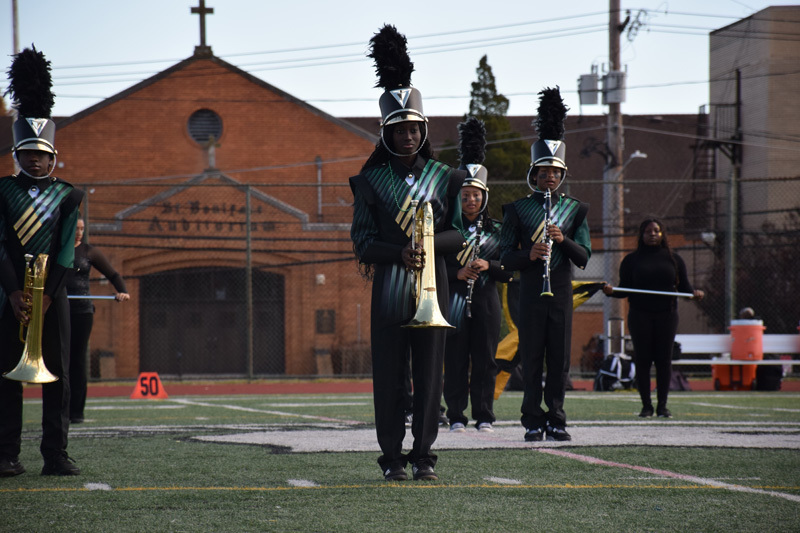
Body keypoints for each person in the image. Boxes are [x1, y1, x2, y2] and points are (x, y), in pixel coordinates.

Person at [349, 25, 466, 482]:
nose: (408, 136)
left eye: (414, 128)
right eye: (399, 130)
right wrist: (399, 253)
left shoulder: (446, 177)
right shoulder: (369, 182)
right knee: (390, 378)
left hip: (434, 291)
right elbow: (363, 243)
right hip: (390, 293)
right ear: (387, 133)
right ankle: (392, 458)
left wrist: (428, 241)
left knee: (430, 378)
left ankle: (424, 456)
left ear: (423, 130)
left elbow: (460, 235)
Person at [0, 47, 83, 476]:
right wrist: (13, 291)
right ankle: (6, 454)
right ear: (16, 154)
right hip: (8, 292)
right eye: (27, 152)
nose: (35, 158)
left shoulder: (69, 194)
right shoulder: (1, 190)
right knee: (5, 374)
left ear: (53, 156)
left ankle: (56, 454)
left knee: (60, 375)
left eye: (42, 153)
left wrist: (49, 295)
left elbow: (67, 248)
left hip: (53, 294)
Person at [500, 87, 591, 442]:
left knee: (559, 359)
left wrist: (562, 240)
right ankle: (532, 420)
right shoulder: (516, 210)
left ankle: (556, 418)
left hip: (561, 292)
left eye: (555, 171)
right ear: (534, 173)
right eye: (543, 171)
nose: (549, 176)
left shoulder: (575, 210)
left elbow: (583, 257)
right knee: (532, 356)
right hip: (529, 292)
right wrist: (529, 254)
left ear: (561, 174)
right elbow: (505, 256)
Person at [444, 117, 511, 434]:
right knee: (455, 359)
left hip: (486, 302)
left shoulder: (498, 230)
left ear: (485, 197)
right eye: (465, 195)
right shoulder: (447, 230)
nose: (471, 200)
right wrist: (458, 272)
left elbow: (511, 269)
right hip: (454, 302)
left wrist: (489, 266)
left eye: (477, 195)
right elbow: (435, 267)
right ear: (458, 198)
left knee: (486, 360)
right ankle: (456, 415)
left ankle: (484, 414)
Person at [602, 218, 704, 418]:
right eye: (648, 231)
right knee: (643, 360)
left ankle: (662, 406)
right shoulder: (631, 260)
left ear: (662, 234)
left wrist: (695, 294)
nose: (652, 234)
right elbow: (624, 289)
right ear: (641, 235)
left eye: (656, 231)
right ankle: (646, 406)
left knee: (664, 360)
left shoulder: (674, 260)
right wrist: (611, 292)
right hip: (640, 315)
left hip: (667, 315)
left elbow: (685, 288)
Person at [67, 218, 130, 424]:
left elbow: (113, 274)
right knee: (60, 359)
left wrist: (122, 291)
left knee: (77, 360)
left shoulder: (89, 251)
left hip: (83, 312)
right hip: (59, 310)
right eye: (76, 228)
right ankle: (59, 409)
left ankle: (76, 412)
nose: (79, 232)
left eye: (82, 229)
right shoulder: (56, 250)